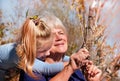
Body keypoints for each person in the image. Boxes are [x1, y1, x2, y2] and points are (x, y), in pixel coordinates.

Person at [19, 13, 102, 81]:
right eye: (52, 36)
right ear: (41, 43)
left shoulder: (76, 72)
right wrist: (69, 69)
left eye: (61, 33)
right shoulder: (32, 69)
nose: (59, 38)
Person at [0, 15, 69, 80]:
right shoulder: (23, 56)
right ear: (33, 49)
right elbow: (46, 69)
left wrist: (71, 58)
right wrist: (71, 64)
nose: (48, 53)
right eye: (44, 50)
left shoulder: (30, 45)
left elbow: (63, 58)